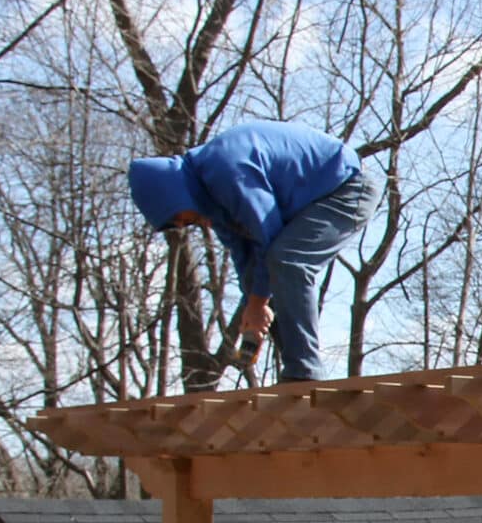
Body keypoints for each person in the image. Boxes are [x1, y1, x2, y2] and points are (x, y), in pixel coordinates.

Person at [127, 120, 382, 384]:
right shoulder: (210, 199)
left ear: (174, 195)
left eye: (177, 218)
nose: (183, 224)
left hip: (348, 188)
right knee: (256, 280)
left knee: (288, 260)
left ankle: (304, 372)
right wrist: (253, 305)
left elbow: (267, 233)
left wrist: (259, 304)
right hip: (312, 200)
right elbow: (243, 254)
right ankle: (295, 367)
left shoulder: (226, 170)